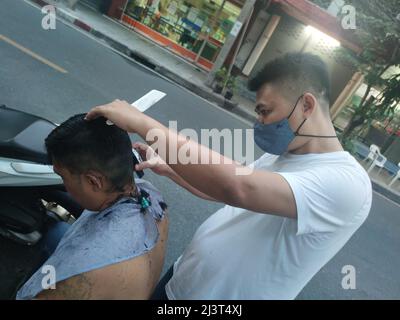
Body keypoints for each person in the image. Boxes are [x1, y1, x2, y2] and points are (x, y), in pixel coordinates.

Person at [85, 52, 372, 300]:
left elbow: (240, 187)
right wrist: (170, 166)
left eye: (265, 111)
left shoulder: (346, 183)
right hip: (182, 282)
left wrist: (142, 122)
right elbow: (222, 191)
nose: (259, 122)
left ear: (306, 106)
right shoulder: (284, 155)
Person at [16, 114, 168, 300]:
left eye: (63, 176)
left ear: (94, 181)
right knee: (55, 231)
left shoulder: (76, 279)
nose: (64, 184)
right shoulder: (153, 199)